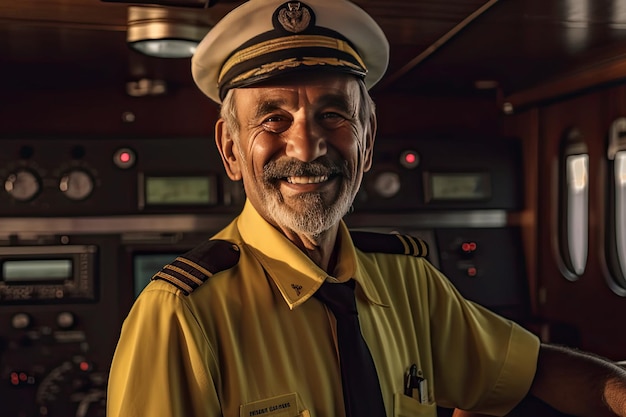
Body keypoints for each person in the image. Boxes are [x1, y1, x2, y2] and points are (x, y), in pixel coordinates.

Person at [106, 0, 626, 416]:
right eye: (273, 120)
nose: (307, 148)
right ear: (230, 149)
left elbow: (530, 372)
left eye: (333, 114)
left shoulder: (409, 282)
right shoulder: (180, 314)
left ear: (368, 139)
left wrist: (619, 389)